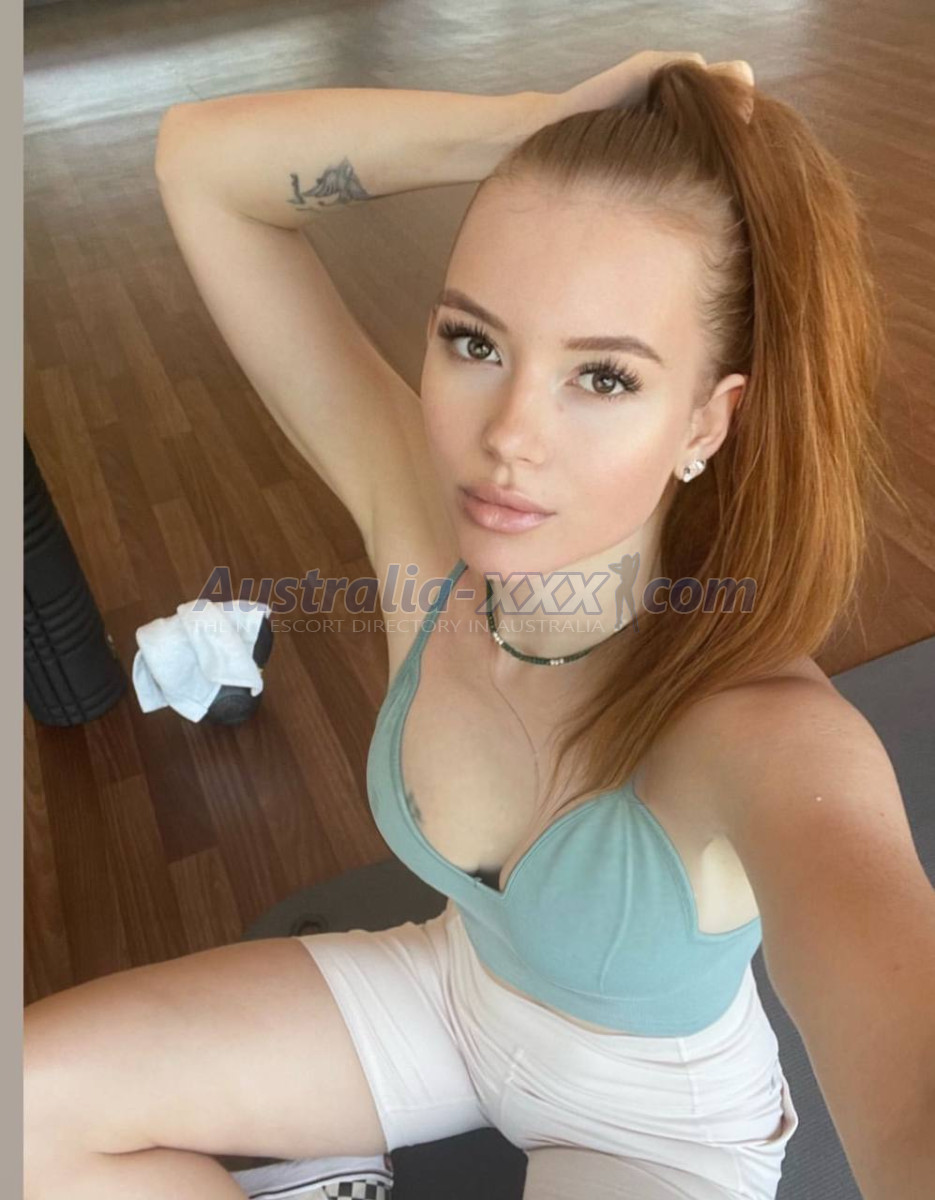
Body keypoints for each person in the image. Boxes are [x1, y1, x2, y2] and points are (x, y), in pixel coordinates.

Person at [25, 51, 934, 1200]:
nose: (507, 435)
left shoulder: (764, 734)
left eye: (602, 378)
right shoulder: (422, 530)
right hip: (453, 1002)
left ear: (707, 421)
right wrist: (527, 127)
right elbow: (198, 163)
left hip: (653, 1135)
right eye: (474, 342)